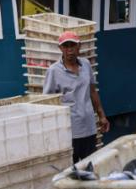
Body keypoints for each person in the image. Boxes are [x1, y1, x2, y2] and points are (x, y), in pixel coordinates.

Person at [43, 31, 108, 162]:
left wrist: (102, 116)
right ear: (60, 48)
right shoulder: (54, 71)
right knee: (70, 170)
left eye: (72, 45)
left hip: (88, 127)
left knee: (90, 166)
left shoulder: (86, 65)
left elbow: (92, 91)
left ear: (79, 46)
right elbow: (47, 102)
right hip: (68, 131)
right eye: (65, 46)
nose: (70, 50)